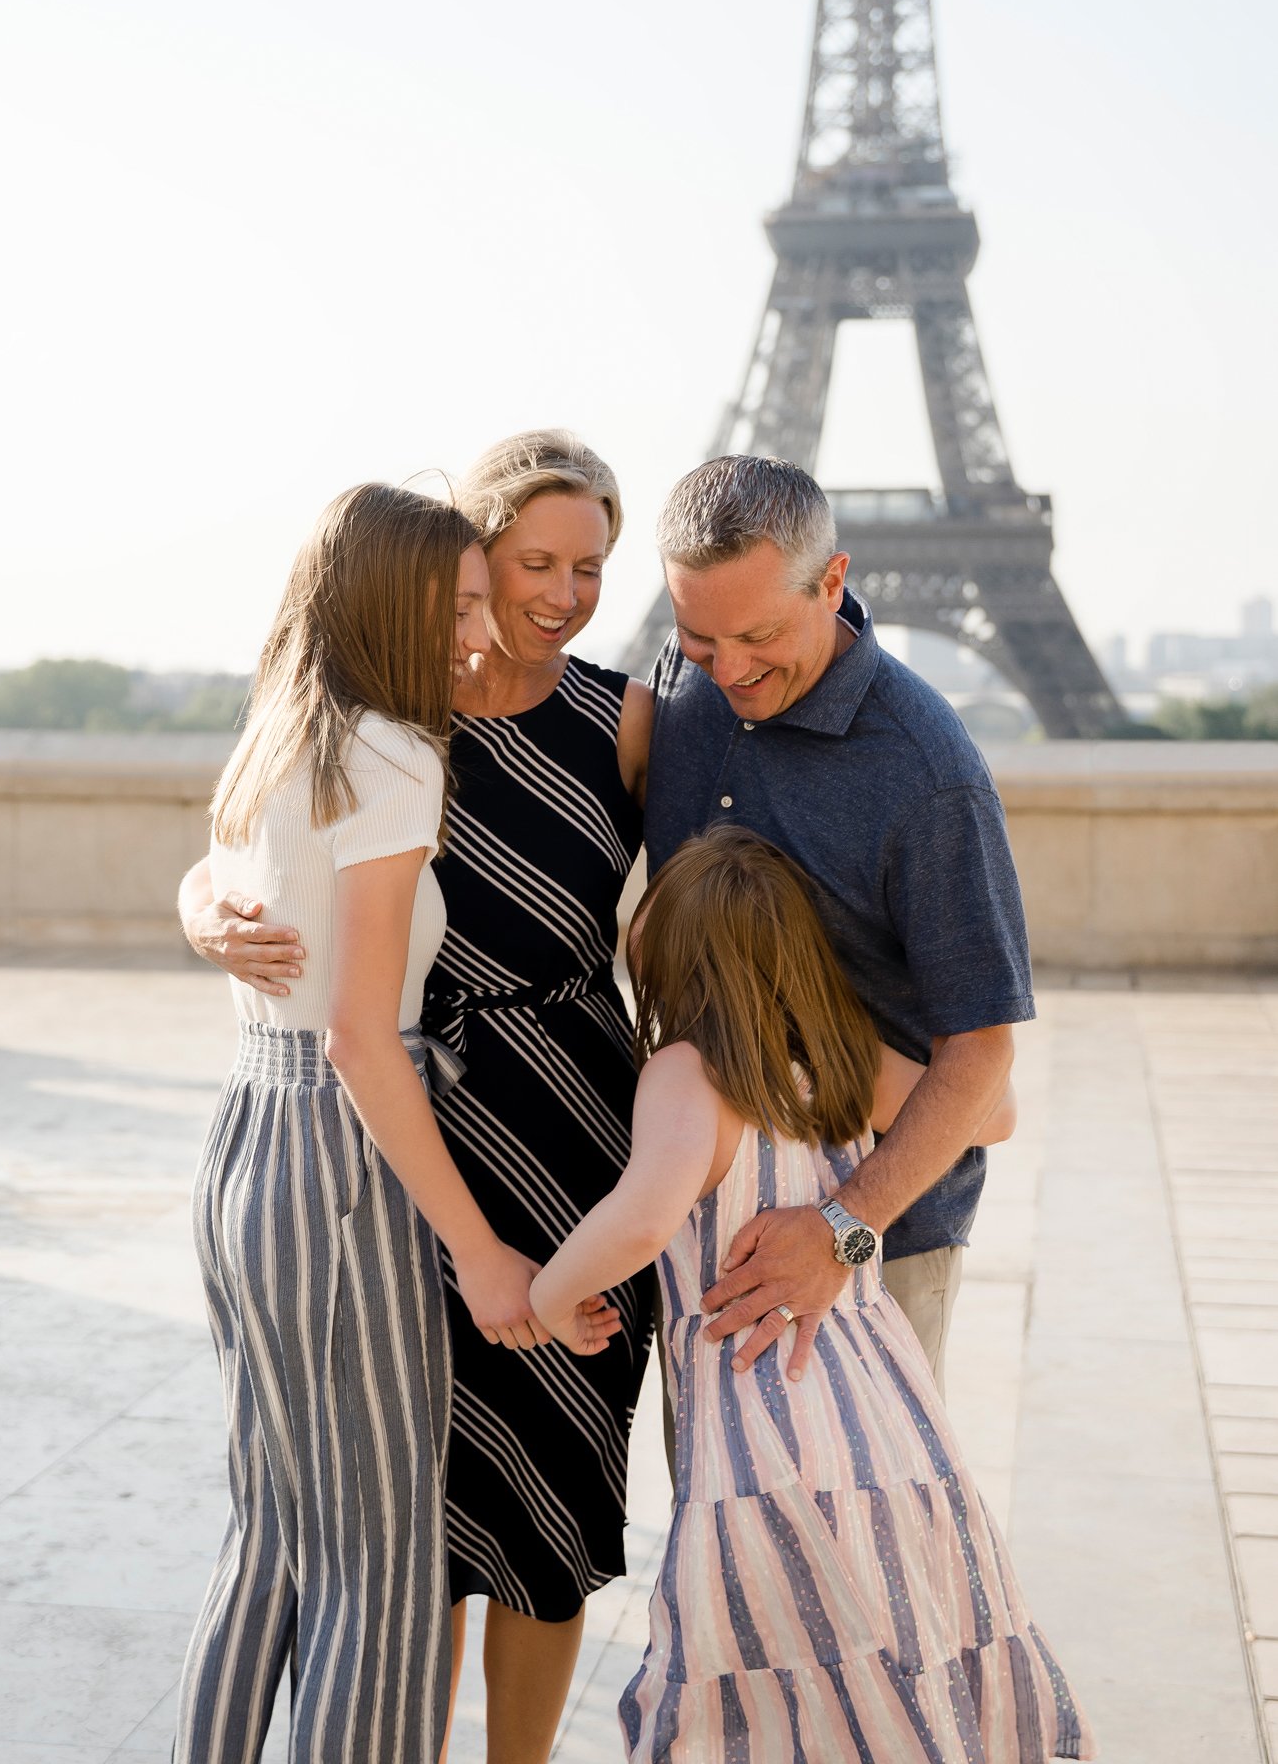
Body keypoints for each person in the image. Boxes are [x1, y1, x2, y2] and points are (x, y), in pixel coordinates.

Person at [180, 432, 656, 1764]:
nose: (561, 593)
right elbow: (272, 878)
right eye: (533, 563)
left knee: (546, 1511)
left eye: (591, 567)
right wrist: (205, 909)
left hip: (568, 1132)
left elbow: (703, 911)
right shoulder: (402, 708)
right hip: (408, 1146)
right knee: (405, 1531)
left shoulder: (622, 719)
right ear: (473, 553)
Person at [531, 829, 1093, 1763]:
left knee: (759, 1653)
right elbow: (989, 1111)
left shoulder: (685, 1073)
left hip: (760, 1404)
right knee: (893, 1620)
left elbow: (640, 1219)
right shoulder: (838, 1060)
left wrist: (553, 1294)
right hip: (883, 1394)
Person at [642, 454, 1033, 1394]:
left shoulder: (928, 771)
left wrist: (842, 1231)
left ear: (832, 580)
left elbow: (981, 1056)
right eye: (699, 639)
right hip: (710, 1214)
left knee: (869, 1531)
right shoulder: (682, 690)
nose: (728, 671)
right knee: (727, 1524)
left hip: (876, 1242)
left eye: (758, 635)